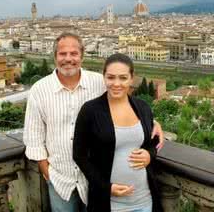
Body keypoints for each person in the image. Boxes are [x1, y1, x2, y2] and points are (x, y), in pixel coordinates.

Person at [23, 33, 164, 212]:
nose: (68, 59)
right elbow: (34, 139)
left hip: (99, 177)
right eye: (62, 54)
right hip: (61, 178)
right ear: (54, 57)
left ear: (82, 56)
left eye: (73, 54)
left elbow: (125, 104)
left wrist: (153, 122)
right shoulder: (39, 90)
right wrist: (48, 172)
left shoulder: (99, 82)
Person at [73, 53, 163, 212]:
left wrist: (150, 154)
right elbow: (79, 156)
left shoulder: (142, 107)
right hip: (109, 203)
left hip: (144, 200)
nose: (116, 83)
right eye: (111, 77)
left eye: (123, 78)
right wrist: (106, 188)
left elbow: (152, 142)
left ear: (131, 78)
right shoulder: (90, 110)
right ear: (104, 77)